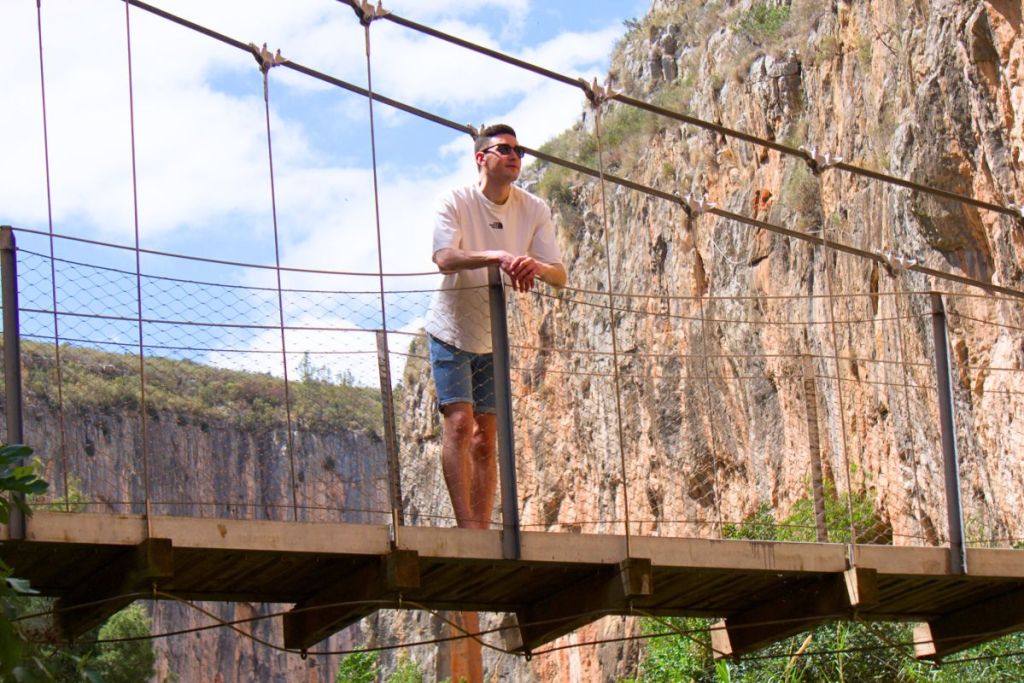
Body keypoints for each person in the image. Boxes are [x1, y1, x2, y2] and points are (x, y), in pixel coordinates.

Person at [425, 123, 567, 529]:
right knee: (459, 424)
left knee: (486, 438)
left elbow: (558, 275)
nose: (514, 157)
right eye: (504, 149)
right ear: (480, 158)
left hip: (494, 337)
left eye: (519, 152)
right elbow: (444, 258)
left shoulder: (534, 208)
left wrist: (532, 265)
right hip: (450, 329)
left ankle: (483, 530)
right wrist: (499, 257)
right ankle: (466, 528)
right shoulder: (455, 200)